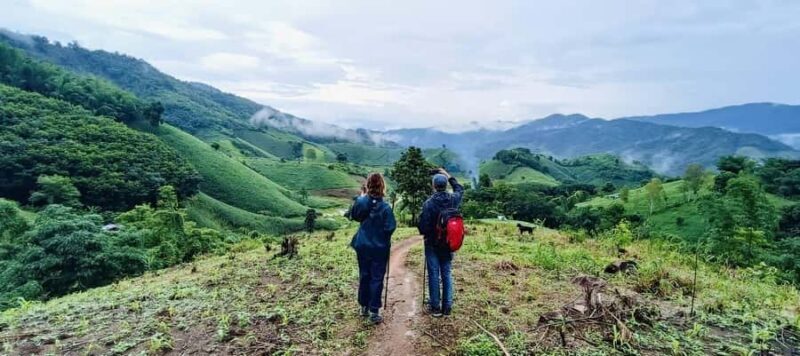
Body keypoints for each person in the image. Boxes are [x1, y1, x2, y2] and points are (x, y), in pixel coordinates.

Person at [349, 173, 397, 324]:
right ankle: (374, 311)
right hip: (379, 248)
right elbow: (390, 228)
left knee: (364, 275)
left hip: (362, 246)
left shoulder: (361, 202)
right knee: (376, 278)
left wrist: (362, 198)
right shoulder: (385, 208)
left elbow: (354, 216)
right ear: (382, 186)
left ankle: (363, 306)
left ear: (368, 185)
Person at [418, 168, 464, 317]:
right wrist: (448, 175)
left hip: (432, 244)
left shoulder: (428, 203)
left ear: (433, 186)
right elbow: (460, 188)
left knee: (433, 274)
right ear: (445, 185)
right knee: (446, 273)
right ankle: (447, 307)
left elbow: (423, 227)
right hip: (448, 244)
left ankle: (435, 307)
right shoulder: (453, 199)